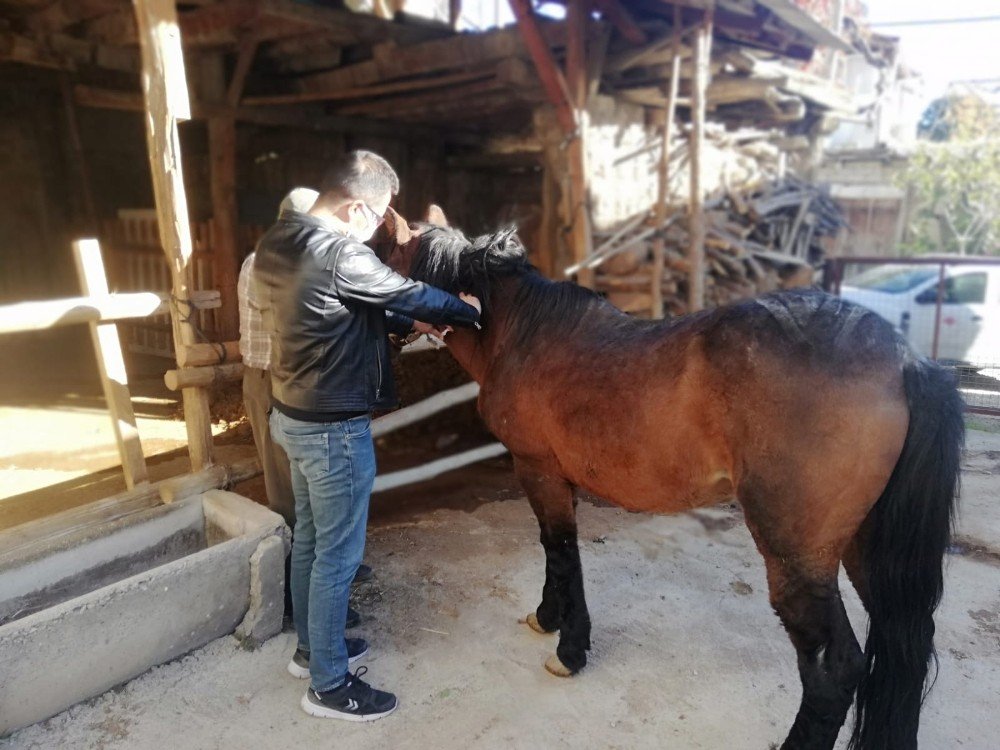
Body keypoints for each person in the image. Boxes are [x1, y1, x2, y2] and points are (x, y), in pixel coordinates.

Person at [255, 150, 481, 722]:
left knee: (310, 539)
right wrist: (464, 308)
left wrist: (410, 323)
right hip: (333, 430)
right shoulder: (334, 251)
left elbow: (341, 310)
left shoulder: (279, 240)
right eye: (379, 216)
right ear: (356, 205)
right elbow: (401, 291)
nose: (380, 227)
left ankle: (312, 651)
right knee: (337, 555)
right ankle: (329, 687)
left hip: (293, 415)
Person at [238, 188, 369, 628]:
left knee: (314, 498)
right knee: (290, 497)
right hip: (276, 382)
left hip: (290, 382)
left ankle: (321, 585)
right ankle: (306, 604)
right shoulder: (271, 264)